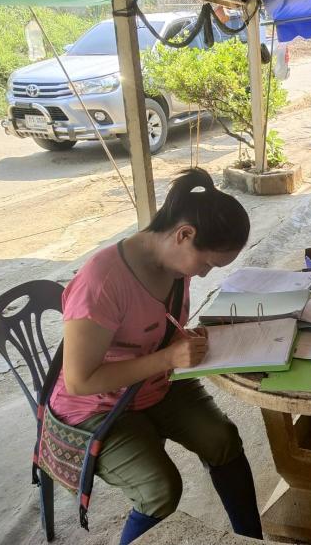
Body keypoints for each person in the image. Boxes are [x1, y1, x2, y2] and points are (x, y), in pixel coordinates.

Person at [50, 168, 262, 544]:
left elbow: (153, 328)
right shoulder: (102, 280)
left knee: (223, 439)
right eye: (208, 264)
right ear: (184, 235)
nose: (204, 274)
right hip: (97, 405)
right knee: (160, 489)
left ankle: (251, 539)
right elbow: (80, 380)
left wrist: (183, 341)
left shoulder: (175, 266)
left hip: (153, 385)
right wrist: (168, 359)